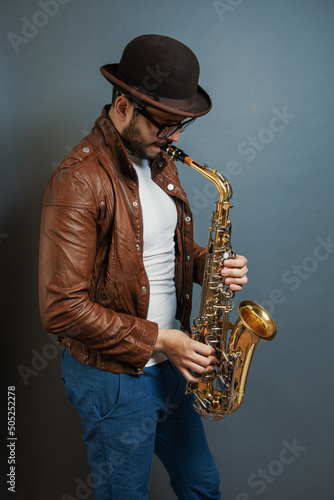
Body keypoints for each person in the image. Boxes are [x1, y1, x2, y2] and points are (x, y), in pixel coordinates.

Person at [39, 34, 248, 500]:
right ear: (122, 107)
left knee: (202, 485)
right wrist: (160, 340)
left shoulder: (160, 161)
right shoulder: (78, 179)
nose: (173, 139)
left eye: (181, 126)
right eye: (164, 125)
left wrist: (208, 266)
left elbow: (163, 247)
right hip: (114, 378)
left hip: (174, 361)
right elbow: (61, 309)